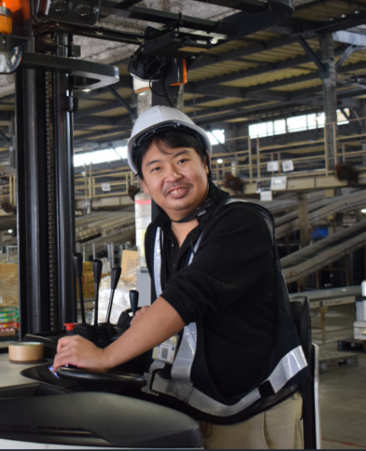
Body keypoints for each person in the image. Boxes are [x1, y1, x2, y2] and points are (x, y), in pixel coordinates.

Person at [53, 106, 309, 449]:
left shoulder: (241, 222)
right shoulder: (156, 234)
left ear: (205, 163)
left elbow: (189, 294)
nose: (172, 176)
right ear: (144, 183)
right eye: (156, 168)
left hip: (250, 410)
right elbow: (168, 302)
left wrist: (105, 357)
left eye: (182, 160)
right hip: (184, 407)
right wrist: (143, 319)